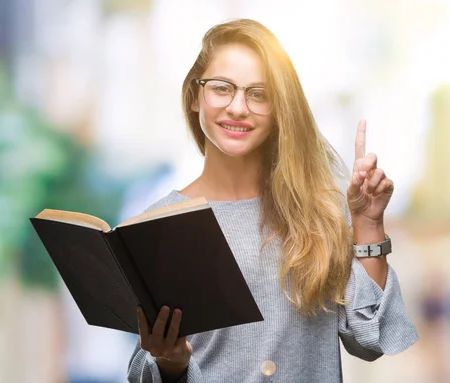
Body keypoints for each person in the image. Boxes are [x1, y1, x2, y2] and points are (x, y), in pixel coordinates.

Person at [127, 18, 418, 383]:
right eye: (222, 88)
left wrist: (369, 223)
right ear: (193, 96)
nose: (237, 107)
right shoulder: (161, 224)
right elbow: (144, 369)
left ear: (280, 109)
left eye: (258, 94)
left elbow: (369, 341)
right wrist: (172, 362)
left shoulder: (321, 210)